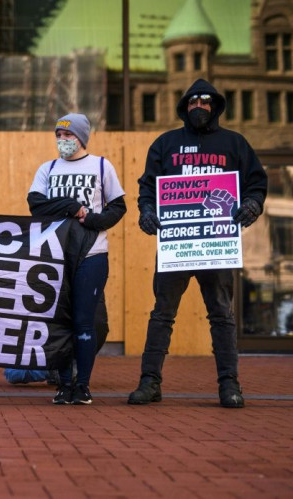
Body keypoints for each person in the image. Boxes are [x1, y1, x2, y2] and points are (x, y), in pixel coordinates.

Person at [129, 78, 267, 409]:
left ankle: (229, 385)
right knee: (162, 313)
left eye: (205, 102)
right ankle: (150, 383)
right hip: (177, 246)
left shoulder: (235, 143)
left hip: (217, 246)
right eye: (192, 102)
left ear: (216, 105)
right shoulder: (165, 144)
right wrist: (147, 211)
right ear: (184, 107)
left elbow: (256, 183)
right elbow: (148, 187)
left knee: (221, 315)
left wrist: (252, 204)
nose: (199, 107)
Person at [27, 113, 126, 404]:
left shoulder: (100, 165)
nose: (62, 141)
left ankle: (81, 385)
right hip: (55, 256)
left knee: (84, 321)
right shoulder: (49, 168)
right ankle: (62, 382)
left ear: (81, 138)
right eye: (58, 135)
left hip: (92, 254)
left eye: (68, 136)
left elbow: (118, 207)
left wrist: (92, 220)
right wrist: (73, 207)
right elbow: (36, 204)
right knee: (58, 321)